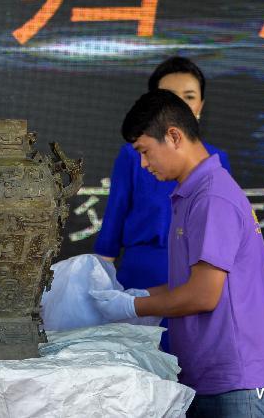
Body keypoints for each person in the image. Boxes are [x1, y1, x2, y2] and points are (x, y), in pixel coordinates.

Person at [90, 89, 264, 417]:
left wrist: (132, 306)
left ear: (173, 136)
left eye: (145, 151)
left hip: (237, 380)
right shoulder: (191, 193)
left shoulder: (212, 198)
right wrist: (135, 296)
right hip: (210, 374)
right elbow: (189, 284)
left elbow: (202, 295)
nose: (143, 164)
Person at [94, 57, 229, 350]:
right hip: (143, 275)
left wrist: (133, 304)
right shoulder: (133, 155)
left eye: (188, 97)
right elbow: (113, 220)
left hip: (194, 280)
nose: (145, 163)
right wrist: (101, 288)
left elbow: (206, 290)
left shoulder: (215, 174)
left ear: (201, 105)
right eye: (168, 97)